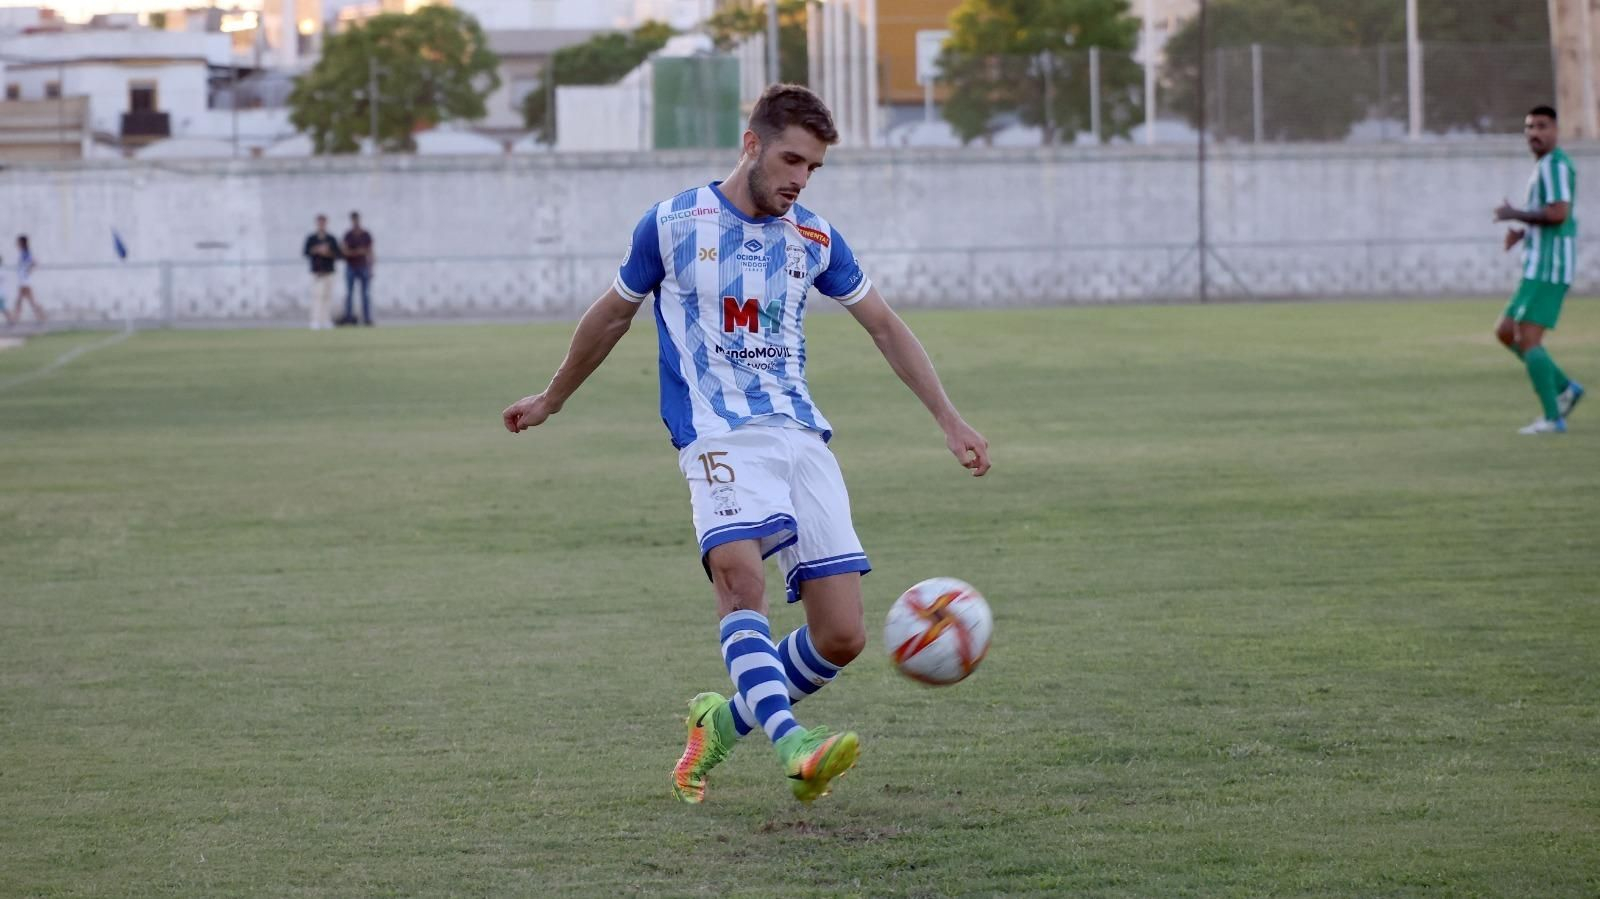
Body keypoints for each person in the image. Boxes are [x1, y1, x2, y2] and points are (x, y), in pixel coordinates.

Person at [500, 84, 991, 805]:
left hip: (800, 437)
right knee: (740, 582)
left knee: (842, 636)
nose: (801, 179)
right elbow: (610, 317)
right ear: (751, 143)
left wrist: (949, 418)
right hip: (715, 433)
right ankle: (795, 747)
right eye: (792, 159)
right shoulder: (672, 224)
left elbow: (885, 325)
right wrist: (552, 397)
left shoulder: (815, 238)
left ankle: (722, 723)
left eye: (813, 167)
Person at [1494, 105, 1583, 434]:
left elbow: (1559, 214)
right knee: (1506, 331)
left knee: (1528, 338)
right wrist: (1523, 234)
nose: (1534, 133)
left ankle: (1552, 417)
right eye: (1529, 127)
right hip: (1536, 265)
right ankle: (1564, 388)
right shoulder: (1544, 166)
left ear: (1556, 130)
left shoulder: (1556, 166)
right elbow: (1548, 217)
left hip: (1550, 267)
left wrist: (1514, 213)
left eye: (1542, 126)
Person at [303, 214, 342, 330]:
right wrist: (316, 250)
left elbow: (338, 254)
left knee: (328, 297)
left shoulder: (331, 238)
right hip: (317, 272)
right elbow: (305, 252)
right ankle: (315, 320)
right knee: (317, 297)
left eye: (323, 222)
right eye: (319, 222)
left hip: (329, 272)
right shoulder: (312, 238)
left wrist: (327, 252)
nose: (321, 225)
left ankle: (326, 320)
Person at [339, 211, 375, 326]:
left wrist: (371, 268)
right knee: (349, 294)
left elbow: (371, 252)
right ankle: (349, 317)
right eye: (354, 220)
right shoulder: (348, 235)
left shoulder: (366, 235)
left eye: (357, 219)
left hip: (363, 266)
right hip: (351, 267)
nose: (356, 222)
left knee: (365, 294)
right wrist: (357, 252)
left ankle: (367, 318)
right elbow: (344, 252)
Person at [7, 235, 46, 327]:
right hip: (23, 281)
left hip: (25, 281)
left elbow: (34, 262)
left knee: (21, 301)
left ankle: (14, 319)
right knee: (28, 301)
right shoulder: (23, 253)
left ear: (22, 243)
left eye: (18, 242)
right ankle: (41, 316)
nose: (17, 244)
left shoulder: (25, 253)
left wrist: (28, 271)